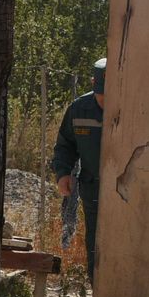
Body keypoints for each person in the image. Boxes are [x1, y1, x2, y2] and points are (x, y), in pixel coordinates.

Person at [50, 58, 106, 280]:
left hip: (126, 192)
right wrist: (63, 173)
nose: (105, 103)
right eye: (101, 97)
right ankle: (97, 291)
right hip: (92, 188)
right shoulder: (79, 110)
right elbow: (65, 145)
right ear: (93, 83)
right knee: (94, 242)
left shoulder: (133, 108)